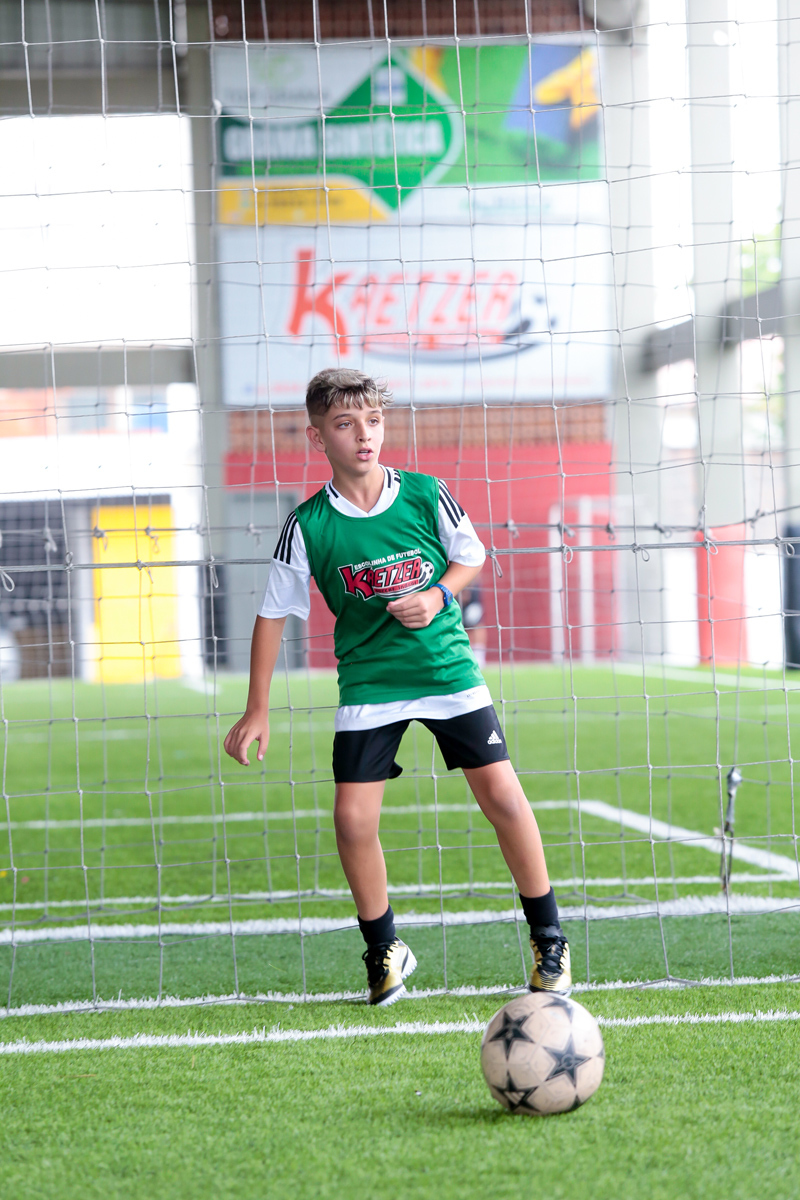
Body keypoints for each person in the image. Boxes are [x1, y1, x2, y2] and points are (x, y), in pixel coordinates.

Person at [224, 368, 570, 1006]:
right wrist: (257, 708)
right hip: (369, 682)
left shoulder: (425, 493)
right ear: (318, 437)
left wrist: (438, 595)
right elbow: (272, 615)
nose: (363, 435)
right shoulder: (307, 525)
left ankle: (549, 938)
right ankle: (384, 948)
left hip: (446, 672)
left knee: (502, 797)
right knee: (352, 820)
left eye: (374, 421)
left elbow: (471, 555)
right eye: (345, 424)